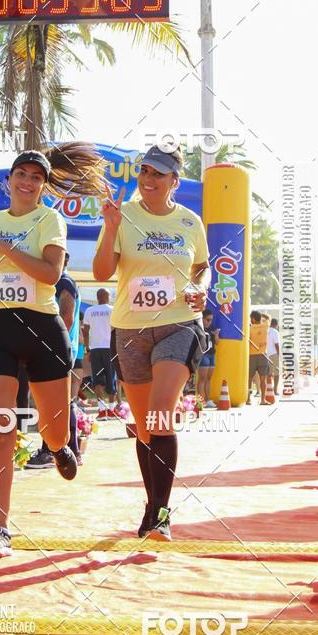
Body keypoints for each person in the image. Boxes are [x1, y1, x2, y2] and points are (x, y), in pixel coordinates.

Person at [0, 144, 105, 559]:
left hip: (40, 326)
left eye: (36, 177)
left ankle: (59, 446)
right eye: (21, 174)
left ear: (43, 186)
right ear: (10, 181)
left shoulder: (49, 219)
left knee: (51, 429)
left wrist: (5, 249)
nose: (27, 182)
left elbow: (51, 273)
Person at [93, 145, 209, 541]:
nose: (149, 179)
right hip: (130, 330)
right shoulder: (121, 216)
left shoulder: (190, 222)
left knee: (161, 415)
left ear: (174, 180)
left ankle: (161, 513)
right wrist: (110, 228)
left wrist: (201, 288)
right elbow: (103, 271)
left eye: (159, 174)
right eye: (144, 171)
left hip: (180, 325)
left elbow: (202, 267)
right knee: (144, 428)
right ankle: (151, 504)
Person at [26, 250, 82, 469]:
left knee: (53, 402)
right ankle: (71, 450)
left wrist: (50, 344)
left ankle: (51, 451)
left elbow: (66, 318)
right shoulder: (58, 282)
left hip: (57, 347)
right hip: (58, 346)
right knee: (60, 402)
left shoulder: (64, 283)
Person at [83, 289, 118, 419]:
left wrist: (88, 349)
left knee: (97, 379)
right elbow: (118, 330)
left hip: (95, 349)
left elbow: (86, 331)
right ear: (107, 297)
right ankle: (112, 410)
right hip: (109, 348)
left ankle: (102, 410)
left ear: (97, 297)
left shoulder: (89, 311)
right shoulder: (113, 310)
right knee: (111, 377)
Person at [197, 309, 219, 407]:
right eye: (207, 320)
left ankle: (208, 400)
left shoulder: (212, 328)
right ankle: (200, 401)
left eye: (211, 320)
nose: (209, 322)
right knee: (202, 378)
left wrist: (216, 335)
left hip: (211, 354)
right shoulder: (198, 328)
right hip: (203, 354)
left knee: (209, 378)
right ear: (202, 319)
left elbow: (217, 342)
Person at [247, 311, 270, 405]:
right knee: (263, 379)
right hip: (263, 355)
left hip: (252, 355)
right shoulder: (265, 326)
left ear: (252, 319)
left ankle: (248, 399)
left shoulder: (249, 328)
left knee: (249, 379)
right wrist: (261, 315)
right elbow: (268, 317)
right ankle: (262, 400)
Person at [266, 318, 281, 395]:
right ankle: (275, 389)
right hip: (274, 354)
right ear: (276, 324)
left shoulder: (266, 330)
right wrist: (279, 354)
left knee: (268, 373)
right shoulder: (275, 332)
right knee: (276, 373)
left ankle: (268, 388)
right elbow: (276, 344)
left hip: (266, 354)